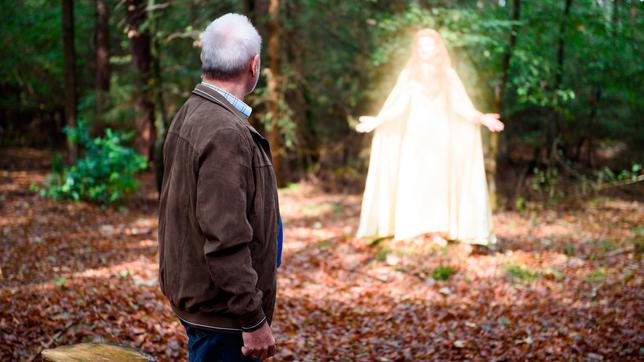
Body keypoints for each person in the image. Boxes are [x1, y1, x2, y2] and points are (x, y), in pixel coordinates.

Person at [158, 13, 282, 361]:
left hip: (207, 305)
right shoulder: (225, 132)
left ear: (204, 59)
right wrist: (253, 319)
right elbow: (225, 239)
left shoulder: (192, 111)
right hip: (223, 318)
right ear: (253, 65)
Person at [355, 29, 504, 246]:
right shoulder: (408, 75)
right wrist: (377, 121)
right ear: (416, 49)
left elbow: (460, 105)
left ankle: (437, 230)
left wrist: (481, 117)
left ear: (437, 48)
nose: (426, 50)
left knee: (438, 182)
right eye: (422, 46)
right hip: (415, 137)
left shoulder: (448, 75)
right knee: (414, 180)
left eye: (430, 46)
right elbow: (397, 105)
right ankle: (414, 229)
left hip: (440, 137)